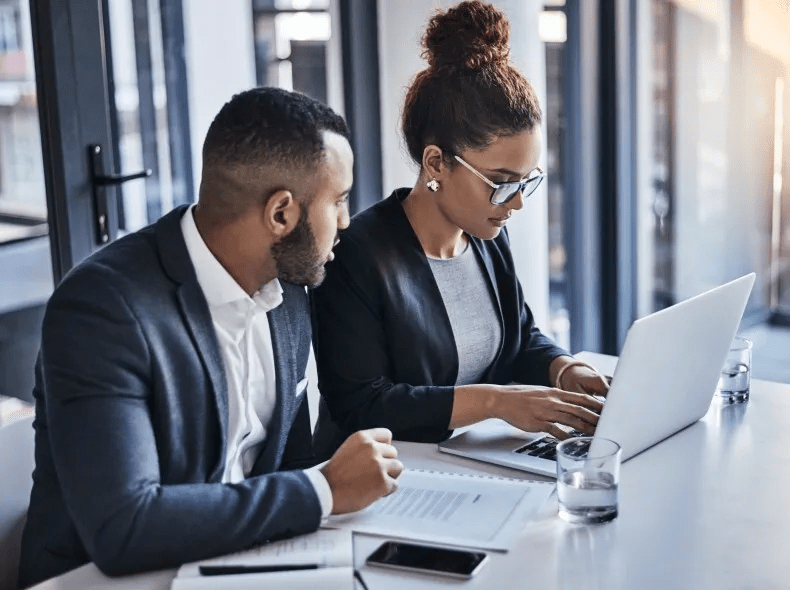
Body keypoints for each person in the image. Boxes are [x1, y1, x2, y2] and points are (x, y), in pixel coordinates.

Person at [18, 87, 403, 588]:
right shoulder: (102, 309)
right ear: (281, 214)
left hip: (240, 563)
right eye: (340, 201)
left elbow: (288, 460)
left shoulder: (288, 284)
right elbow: (124, 527)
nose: (346, 224)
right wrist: (323, 491)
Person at [311, 1, 609, 459]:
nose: (515, 202)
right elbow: (361, 405)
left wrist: (563, 368)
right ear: (436, 163)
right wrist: (493, 401)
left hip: (475, 466)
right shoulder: (357, 256)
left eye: (525, 181)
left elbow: (519, 336)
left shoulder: (486, 236)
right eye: (501, 183)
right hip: (388, 482)